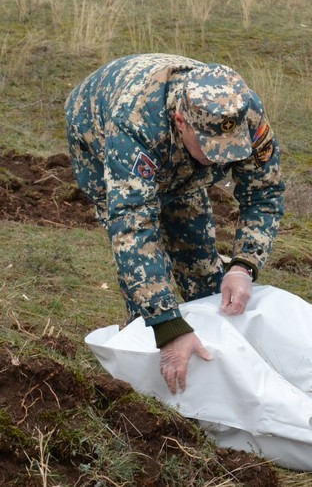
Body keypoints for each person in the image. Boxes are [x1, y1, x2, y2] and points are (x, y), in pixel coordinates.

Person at [65, 53, 285, 395]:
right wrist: (167, 325)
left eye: (230, 149)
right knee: (148, 297)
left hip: (175, 153)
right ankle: (148, 376)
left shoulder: (244, 112)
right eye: (211, 147)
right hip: (95, 127)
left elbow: (264, 194)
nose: (220, 159)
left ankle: (215, 372)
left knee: (204, 272)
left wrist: (243, 265)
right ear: (182, 121)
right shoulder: (134, 124)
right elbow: (133, 226)